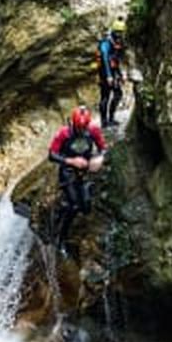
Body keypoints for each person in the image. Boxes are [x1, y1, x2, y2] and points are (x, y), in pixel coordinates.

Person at [48, 105, 107, 257]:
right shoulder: (64, 133)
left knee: (86, 208)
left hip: (84, 171)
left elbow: (103, 148)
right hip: (68, 172)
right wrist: (70, 161)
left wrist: (99, 158)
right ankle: (60, 240)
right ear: (73, 124)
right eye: (79, 128)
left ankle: (85, 188)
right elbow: (52, 155)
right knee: (73, 206)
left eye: (83, 128)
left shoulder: (93, 130)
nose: (81, 131)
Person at [97, 21, 126, 127]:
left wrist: (120, 75)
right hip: (104, 72)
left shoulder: (116, 42)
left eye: (121, 32)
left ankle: (111, 118)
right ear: (114, 31)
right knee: (105, 96)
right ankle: (104, 121)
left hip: (113, 71)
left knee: (118, 94)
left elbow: (115, 60)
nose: (120, 35)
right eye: (118, 32)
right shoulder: (106, 42)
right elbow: (105, 58)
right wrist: (109, 75)